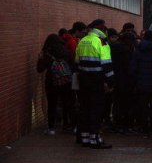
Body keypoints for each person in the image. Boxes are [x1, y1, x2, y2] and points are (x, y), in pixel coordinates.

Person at [75, 19, 114, 149]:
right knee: (96, 110)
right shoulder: (101, 42)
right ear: (102, 29)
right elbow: (107, 64)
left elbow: (77, 62)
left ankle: (85, 138)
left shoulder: (83, 41)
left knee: (85, 109)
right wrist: (110, 82)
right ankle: (95, 139)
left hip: (84, 80)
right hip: (97, 82)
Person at [37, 34, 72, 135]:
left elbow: (39, 69)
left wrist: (40, 58)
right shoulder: (65, 50)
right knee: (66, 103)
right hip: (65, 81)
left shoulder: (47, 53)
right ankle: (66, 125)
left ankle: (51, 128)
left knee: (52, 104)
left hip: (51, 81)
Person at [130, 30, 152, 138]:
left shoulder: (138, 50)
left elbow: (133, 67)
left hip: (141, 82)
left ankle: (143, 128)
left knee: (142, 105)